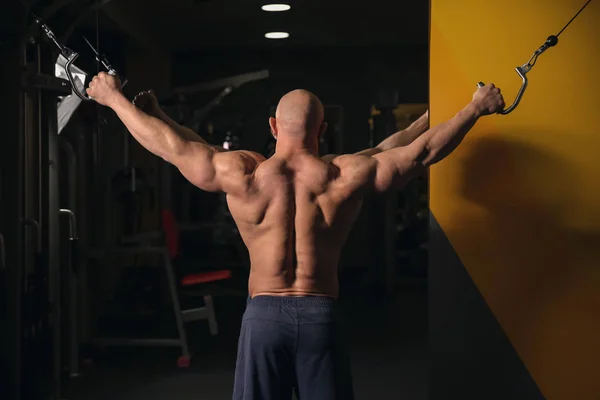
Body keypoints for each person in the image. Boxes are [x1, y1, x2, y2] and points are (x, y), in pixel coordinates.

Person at [87, 73, 505, 400]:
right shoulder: (342, 174)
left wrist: (115, 100)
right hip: (322, 315)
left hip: (264, 318)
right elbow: (414, 153)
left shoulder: (242, 171)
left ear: (272, 126)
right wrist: (473, 109)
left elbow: (174, 148)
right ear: (322, 129)